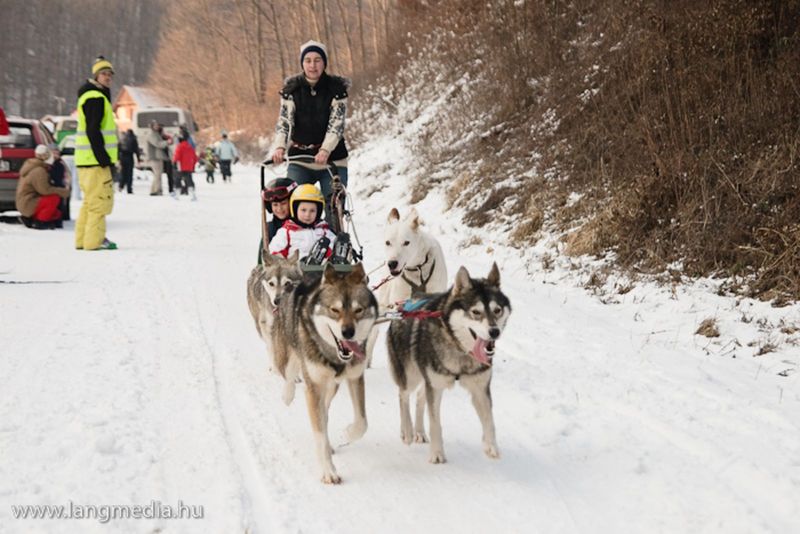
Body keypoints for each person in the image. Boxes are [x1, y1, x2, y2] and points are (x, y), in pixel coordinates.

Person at [268, 40, 350, 223]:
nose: (313, 65)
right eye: (308, 60)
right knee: (295, 208)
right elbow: (284, 123)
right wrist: (280, 147)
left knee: (332, 208)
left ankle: (333, 244)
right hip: (301, 158)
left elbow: (336, 124)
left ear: (324, 63)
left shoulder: (337, 90)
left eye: (317, 60)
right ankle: (292, 245)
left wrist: (325, 150)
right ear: (302, 63)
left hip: (332, 160)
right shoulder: (291, 91)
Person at [74, 56, 118, 250]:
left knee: (89, 202)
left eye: (110, 74)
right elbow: (94, 131)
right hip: (94, 161)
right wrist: (104, 159)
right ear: (96, 76)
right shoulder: (96, 98)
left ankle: (82, 240)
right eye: (104, 74)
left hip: (86, 161)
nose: (108, 77)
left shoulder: (91, 95)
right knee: (99, 203)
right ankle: (94, 241)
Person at [269, 183, 335, 259]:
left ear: (318, 213)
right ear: (295, 210)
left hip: (321, 267)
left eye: (312, 211)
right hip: (295, 267)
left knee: (329, 245)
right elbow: (275, 250)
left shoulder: (323, 230)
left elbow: (333, 244)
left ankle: (317, 259)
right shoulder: (287, 231)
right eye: (303, 210)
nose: (307, 214)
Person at [16, 145, 70, 229]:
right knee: (54, 198)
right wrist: (63, 191)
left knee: (56, 213)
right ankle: (41, 221)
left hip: (25, 202)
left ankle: (31, 218)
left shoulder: (31, 166)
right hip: (28, 203)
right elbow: (45, 190)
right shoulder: (39, 171)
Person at [257, 177, 297, 264]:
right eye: (275, 205)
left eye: (283, 203)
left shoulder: (302, 223)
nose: (279, 209)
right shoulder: (269, 229)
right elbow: (261, 262)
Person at [146, 121, 171, 196]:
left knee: (157, 175)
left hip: (158, 157)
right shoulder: (152, 135)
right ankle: (156, 190)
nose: (158, 127)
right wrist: (167, 142)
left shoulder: (156, 134)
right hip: (155, 157)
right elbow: (157, 144)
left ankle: (156, 190)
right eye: (156, 125)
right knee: (157, 175)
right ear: (152, 126)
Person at [47, 145, 71, 221]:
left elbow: (67, 177)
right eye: (53, 152)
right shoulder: (46, 164)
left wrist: (66, 186)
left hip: (59, 186)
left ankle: (59, 217)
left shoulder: (61, 164)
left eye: (57, 152)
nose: (55, 155)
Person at [173, 134, 198, 200]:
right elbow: (195, 158)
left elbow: (177, 156)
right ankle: (193, 195)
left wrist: (174, 163)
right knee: (189, 180)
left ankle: (177, 195)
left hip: (180, 167)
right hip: (188, 167)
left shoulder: (179, 147)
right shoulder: (190, 147)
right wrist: (192, 166)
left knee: (178, 180)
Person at [118, 129, 140, 194]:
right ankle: (129, 189)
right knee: (129, 174)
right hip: (129, 157)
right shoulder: (133, 139)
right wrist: (138, 159)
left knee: (123, 173)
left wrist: (118, 159)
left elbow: (118, 148)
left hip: (122, 157)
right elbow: (136, 150)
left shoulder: (122, 139)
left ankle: (121, 186)